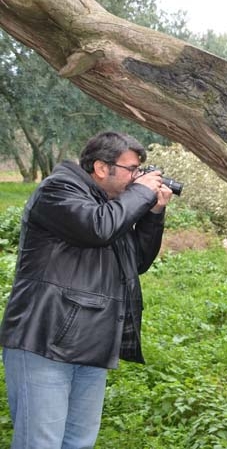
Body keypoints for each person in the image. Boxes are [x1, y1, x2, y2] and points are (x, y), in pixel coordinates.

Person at [0, 131, 173, 448]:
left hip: (91, 344)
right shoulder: (57, 191)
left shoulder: (111, 204)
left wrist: (153, 214)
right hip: (44, 342)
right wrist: (139, 193)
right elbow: (97, 228)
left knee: (79, 442)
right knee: (40, 443)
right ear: (101, 168)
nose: (137, 177)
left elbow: (135, 262)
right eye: (132, 169)